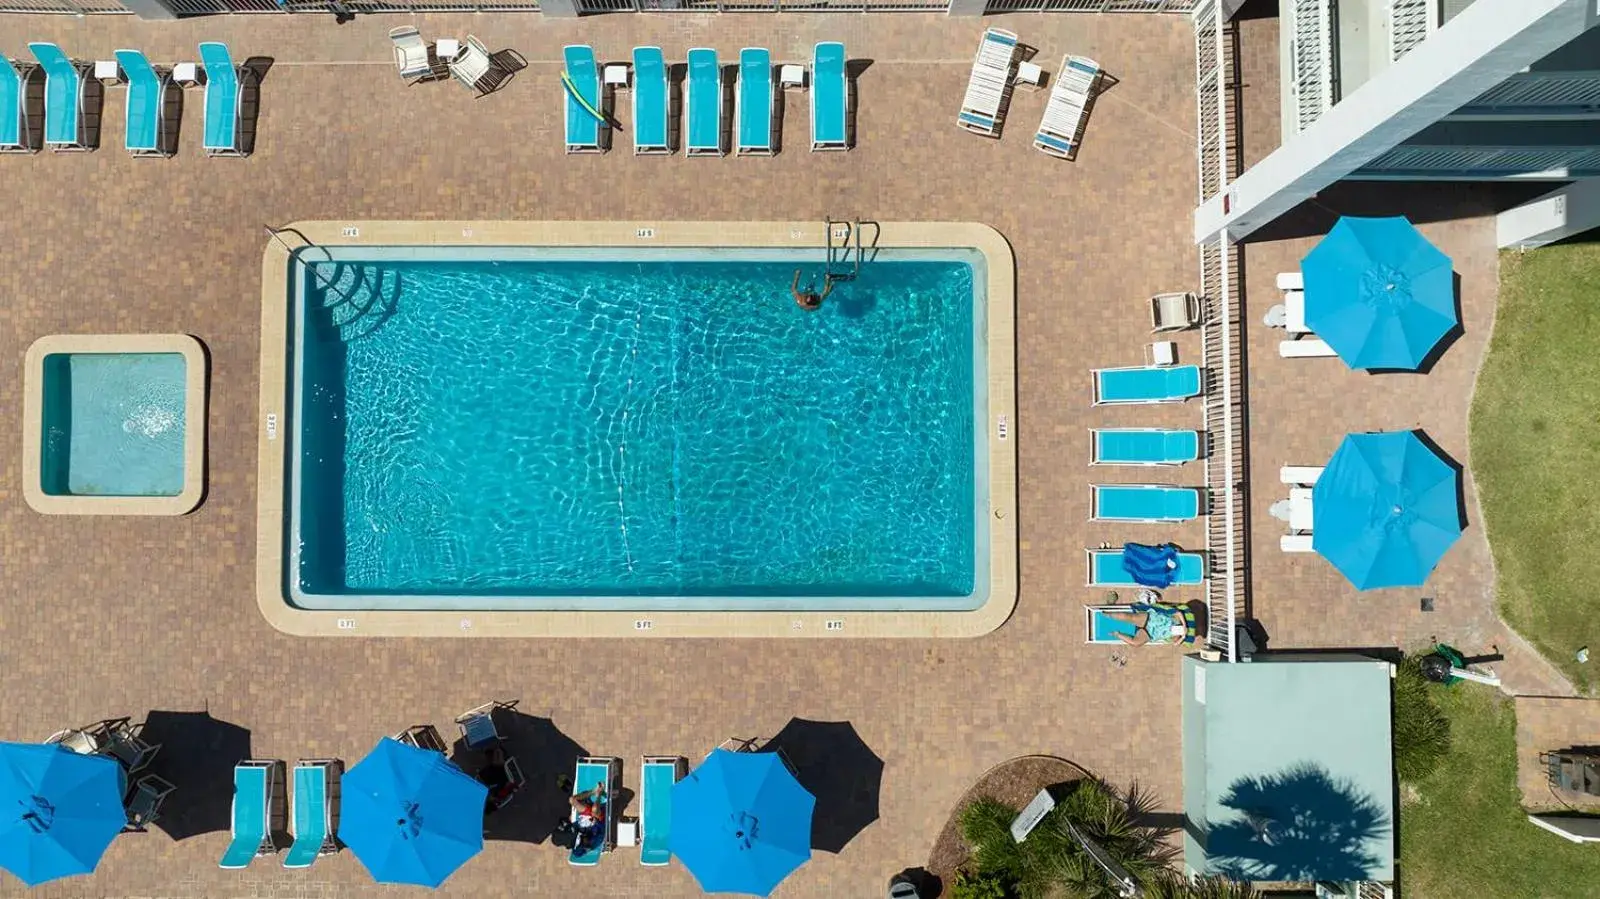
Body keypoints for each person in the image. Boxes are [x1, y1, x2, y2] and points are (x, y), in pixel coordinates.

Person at [1104, 601, 1197, 646]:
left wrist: (1183, 636)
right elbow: (1178, 612)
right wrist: (1184, 625)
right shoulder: (1177, 620)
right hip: (1151, 619)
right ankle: (1109, 615)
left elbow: (1176, 644)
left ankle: (1117, 634)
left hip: (1151, 634)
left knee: (1135, 643)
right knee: (1129, 617)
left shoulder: (1176, 637)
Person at [569, 782, 607, 853]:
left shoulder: (579, 836)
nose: (581, 839)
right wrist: (595, 822)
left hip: (585, 815)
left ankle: (593, 791)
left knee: (572, 799)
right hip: (598, 817)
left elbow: (574, 823)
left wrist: (572, 818)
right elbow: (602, 830)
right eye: (583, 842)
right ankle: (599, 792)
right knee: (594, 809)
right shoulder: (595, 839)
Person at [478, 745, 518, 813]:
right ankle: (499, 750)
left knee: (496, 763)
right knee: (497, 763)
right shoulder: (500, 795)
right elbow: (510, 786)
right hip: (502, 775)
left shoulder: (492, 794)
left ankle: (498, 751)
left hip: (496, 774)